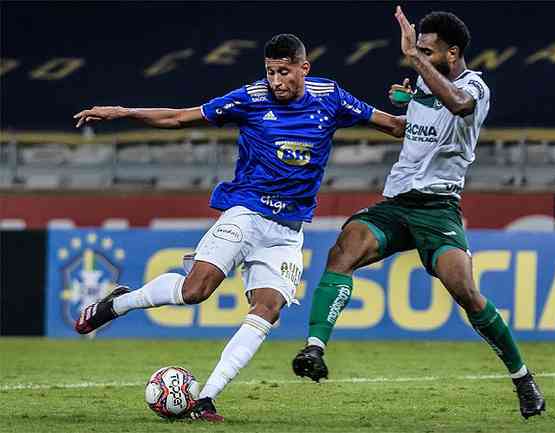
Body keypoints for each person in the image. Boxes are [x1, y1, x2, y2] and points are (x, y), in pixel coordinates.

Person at [72, 33, 405, 422]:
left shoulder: (330, 96)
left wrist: (420, 103)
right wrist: (123, 112)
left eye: (284, 72)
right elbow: (180, 117)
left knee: (268, 309)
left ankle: (206, 399)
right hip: (245, 213)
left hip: (287, 230)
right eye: (270, 72)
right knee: (195, 290)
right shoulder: (251, 98)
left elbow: (395, 127)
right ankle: (118, 303)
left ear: (303, 68)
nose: (276, 81)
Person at [291, 7, 545, 419]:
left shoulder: (474, 86)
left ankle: (522, 378)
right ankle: (315, 349)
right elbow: (408, 123)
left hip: (439, 208)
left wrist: (416, 61)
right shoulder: (427, 85)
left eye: (429, 50)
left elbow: (459, 105)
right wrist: (401, 103)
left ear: (452, 52)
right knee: (343, 251)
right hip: (398, 203)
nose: (421, 54)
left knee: (465, 291)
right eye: (419, 48)